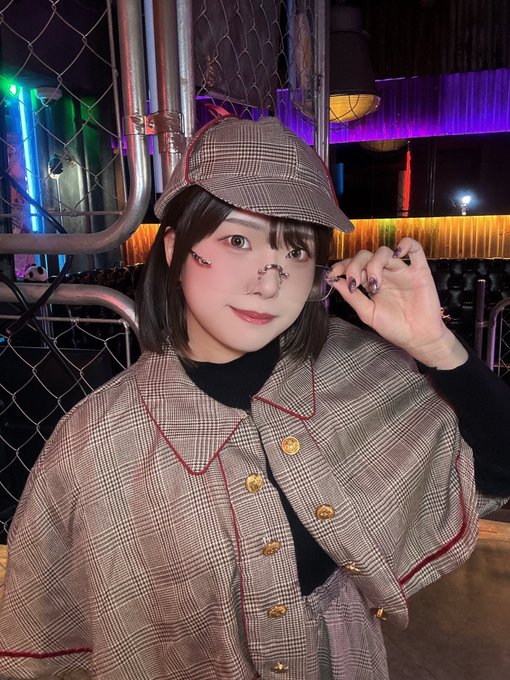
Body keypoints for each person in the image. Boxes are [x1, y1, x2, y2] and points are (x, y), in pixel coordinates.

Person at [0, 114, 509, 680]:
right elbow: (43, 640)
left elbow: (499, 466)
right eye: (237, 240)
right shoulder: (96, 441)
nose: (268, 283)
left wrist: (436, 346)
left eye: (295, 251)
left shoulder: (361, 370)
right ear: (174, 249)